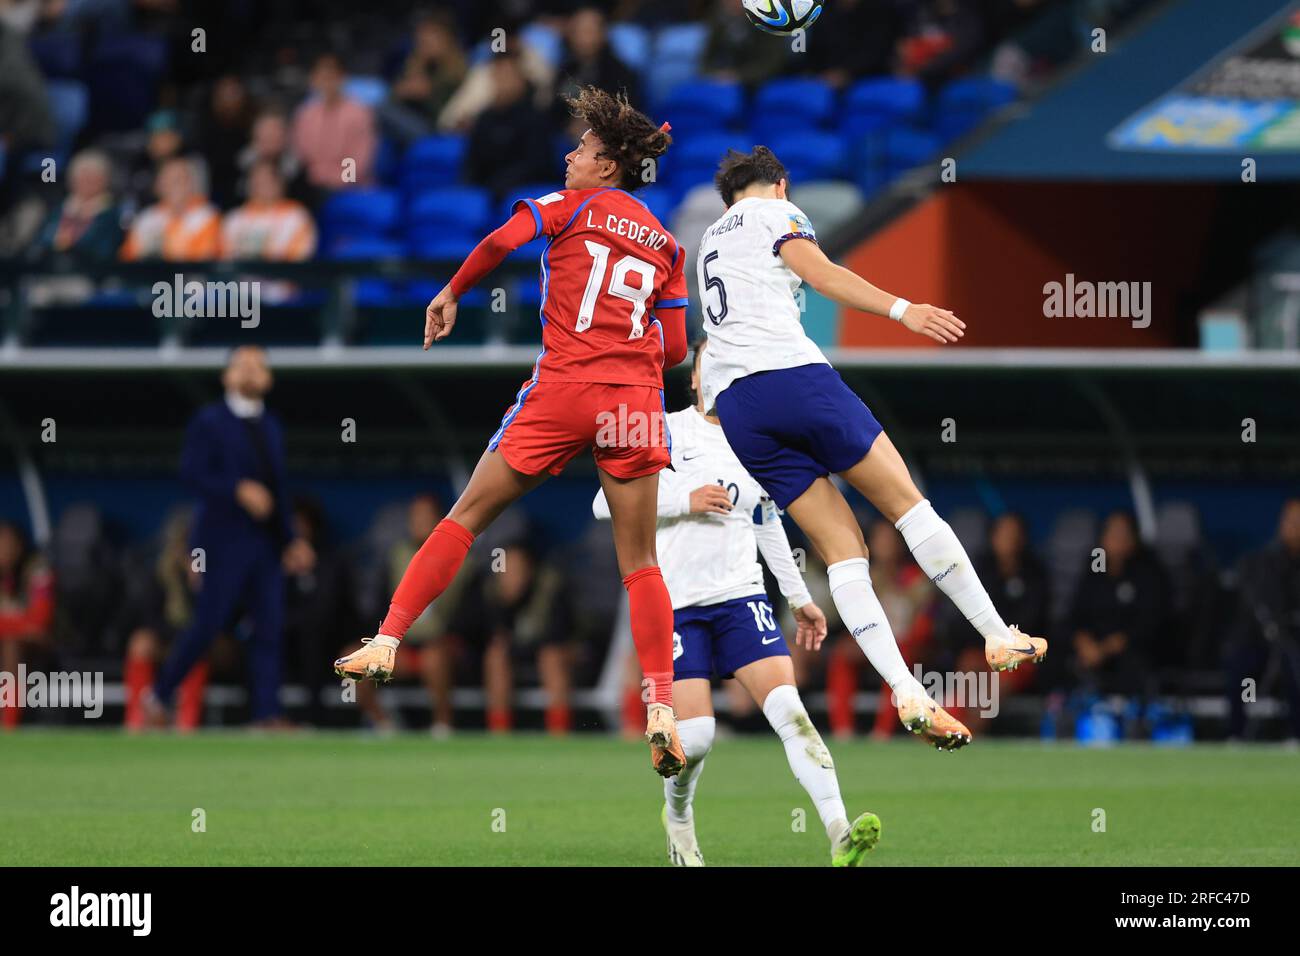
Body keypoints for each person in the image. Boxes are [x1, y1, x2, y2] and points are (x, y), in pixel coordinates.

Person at [335, 87, 691, 777]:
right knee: (641, 563)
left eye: (583, 150)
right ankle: (662, 708)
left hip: (562, 390)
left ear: (608, 167)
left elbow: (502, 239)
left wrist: (450, 294)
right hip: (632, 400)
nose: (569, 155)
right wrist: (633, 348)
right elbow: (675, 348)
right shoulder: (669, 245)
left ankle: (386, 640)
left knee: (466, 517)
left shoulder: (570, 207)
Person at [695, 146, 1046, 751]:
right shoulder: (776, 214)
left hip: (740, 411)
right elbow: (821, 272)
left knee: (843, 554)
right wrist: (903, 309)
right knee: (908, 505)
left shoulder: (706, 243)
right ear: (780, 185)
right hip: (792, 377)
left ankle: (906, 690)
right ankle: (996, 634)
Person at [593, 342, 880, 867]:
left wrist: (798, 597)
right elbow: (601, 503)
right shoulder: (664, 429)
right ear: (697, 380)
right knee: (697, 738)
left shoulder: (756, 440)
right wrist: (685, 500)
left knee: (792, 713)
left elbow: (767, 521)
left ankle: (839, 831)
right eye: (709, 364)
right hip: (675, 605)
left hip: (740, 597)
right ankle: (678, 819)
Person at [144, 346, 307, 729]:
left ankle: (267, 714)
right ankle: (158, 696)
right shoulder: (210, 420)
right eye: (242, 365)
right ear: (227, 376)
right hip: (218, 541)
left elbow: (278, 491)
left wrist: (290, 540)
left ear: (268, 378)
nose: (251, 372)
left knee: (269, 627)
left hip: (263, 545)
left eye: (259, 366)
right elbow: (191, 473)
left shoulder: (271, 424)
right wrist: (236, 489)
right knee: (208, 623)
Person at [453, 540, 577, 734]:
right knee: (496, 655)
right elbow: (472, 631)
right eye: (508, 570)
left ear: (530, 568)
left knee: (551, 657)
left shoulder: (550, 587)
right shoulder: (488, 592)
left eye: (519, 569)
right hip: (500, 658)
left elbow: (562, 632)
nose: (513, 576)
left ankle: (559, 732)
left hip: (546, 651)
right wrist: (503, 607)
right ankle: (500, 731)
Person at [1066, 511, 1167, 702]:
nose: (1117, 541)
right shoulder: (1095, 567)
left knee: (1135, 664)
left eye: (1124, 535)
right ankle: (1060, 712)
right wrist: (1084, 642)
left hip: (1128, 648)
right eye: (1113, 534)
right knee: (1054, 655)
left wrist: (1105, 649)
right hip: (1093, 648)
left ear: (1135, 539)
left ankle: (1131, 719)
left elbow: (1148, 623)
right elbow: (1075, 614)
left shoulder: (1149, 572)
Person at [1225, 498, 1300, 741]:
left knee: (1293, 665)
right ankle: (1237, 735)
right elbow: (1265, 608)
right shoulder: (1263, 562)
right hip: (1261, 643)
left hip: (1294, 644)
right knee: (1242, 670)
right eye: (1292, 521)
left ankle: (1295, 735)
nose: (1296, 527)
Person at [291, 52, 376, 194]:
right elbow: (302, 157)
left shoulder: (359, 113)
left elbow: (358, 162)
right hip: (312, 186)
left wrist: (337, 182)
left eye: (331, 77)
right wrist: (316, 180)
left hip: (350, 186)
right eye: (322, 77)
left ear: (343, 78)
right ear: (313, 80)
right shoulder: (305, 115)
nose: (327, 83)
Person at [0, 520, 54, 731]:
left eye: (8, 544)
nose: (4, 550)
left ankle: (8, 725)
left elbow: (39, 622)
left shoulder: (39, 572)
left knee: (11, 646)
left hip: (36, 650)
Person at [119, 156, 221, 261]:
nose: (175, 185)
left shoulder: (206, 216)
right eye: (168, 180)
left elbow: (206, 257)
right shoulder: (146, 218)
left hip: (191, 276)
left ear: (192, 184)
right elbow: (129, 259)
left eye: (181, 179)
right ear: (158, 185)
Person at [37, 149, 123, 261]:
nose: (86, 181)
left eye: (92, 177)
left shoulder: (111, 215)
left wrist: (72, 246)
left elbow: (106, 251)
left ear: (105, 180)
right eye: (82, 176)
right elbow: (40, 242)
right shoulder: (57, 211)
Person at [220, 160, 317, 261]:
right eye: (256, 181)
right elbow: (227, 260)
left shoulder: (297, 217)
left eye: (268, 180)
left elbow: (299, 259)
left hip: (282, 275)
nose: (262, 186)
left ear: (281, 183)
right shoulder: (234, 219)